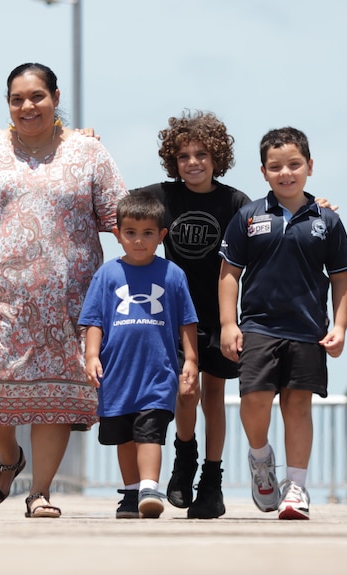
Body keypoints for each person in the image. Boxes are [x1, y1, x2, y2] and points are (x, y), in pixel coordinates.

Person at [0, 62, 127, 519]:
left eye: (37, 96)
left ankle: (40, 492)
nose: (27, 106)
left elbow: (124, 218)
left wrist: (152, 276)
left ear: (55, 97)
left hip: (71, 300)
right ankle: (8, 457)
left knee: (55, 396)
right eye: (17, 99)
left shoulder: (88, 153)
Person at [219, 126, 347, 520]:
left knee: (298, 406)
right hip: (258, 325)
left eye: (294, 164)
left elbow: (342, 276)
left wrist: (341, 326)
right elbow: (229, 273)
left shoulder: (326, 220)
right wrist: (230, 324)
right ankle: (261, 458)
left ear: (309, 167)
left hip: (308, 329)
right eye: (276, 166)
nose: (286, 173)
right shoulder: (248, 216)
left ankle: (296, 486)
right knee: (254, 399)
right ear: (263, 172)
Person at [132, 110, 249, 519]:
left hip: (219, 316)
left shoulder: (235, 202)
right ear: (173, 161)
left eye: (201, 154)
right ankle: (184, 456)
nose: (193, 162)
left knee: (214, 394)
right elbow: (114, 203)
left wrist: (313, 205)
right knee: (185, 390)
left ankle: (211, 481)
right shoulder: (163, 197)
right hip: (176, 314)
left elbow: (273, 219)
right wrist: (83, 146)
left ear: (217, 157)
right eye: (183, 156)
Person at [79, 191, 199, 519]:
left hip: (158, 373)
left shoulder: (172, 274)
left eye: (148, 234)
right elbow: (94, 321)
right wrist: (92, 356)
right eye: (130, 233)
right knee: (124, 436)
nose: (139, 241)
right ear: (117, 235)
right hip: (116, 375)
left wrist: (190, 360)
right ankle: (131, 494)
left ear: (161, 236)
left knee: (150, 432)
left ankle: (149, 488)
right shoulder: (107, 274)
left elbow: (187, 321)